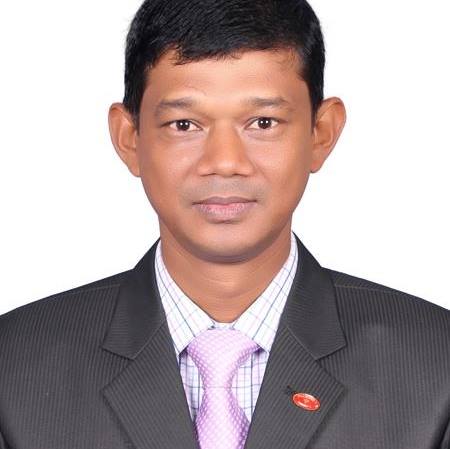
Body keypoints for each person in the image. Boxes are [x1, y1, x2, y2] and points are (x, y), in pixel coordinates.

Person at [1, 0, 449, 448]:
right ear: (129, 137)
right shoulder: (13, 368)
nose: (225, 162)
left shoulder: (436, 366)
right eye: (184, 124)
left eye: (263, 122)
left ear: (321, 133)